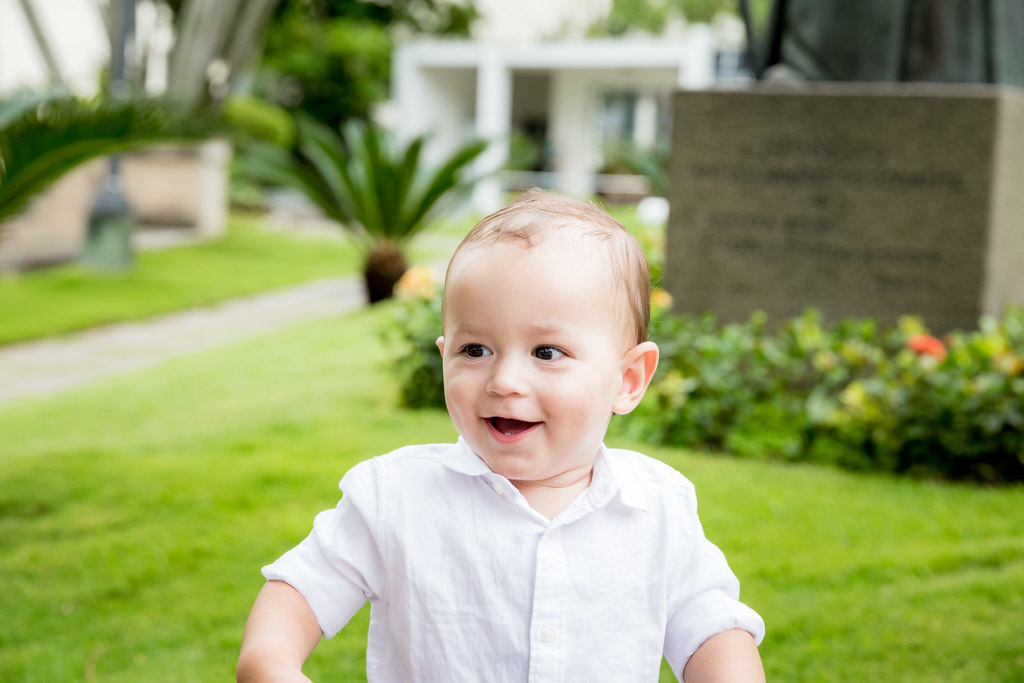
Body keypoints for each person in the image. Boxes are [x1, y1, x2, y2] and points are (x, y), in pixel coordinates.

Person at [236, 189, 765, 682]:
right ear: (444, 357)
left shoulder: (657, 508)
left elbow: (713, 631)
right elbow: (298, 594)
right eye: (476, 350)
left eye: (547, 353)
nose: (505, 381)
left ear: (627, 381)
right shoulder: (394, 497)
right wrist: (270, 662)